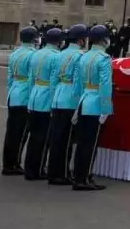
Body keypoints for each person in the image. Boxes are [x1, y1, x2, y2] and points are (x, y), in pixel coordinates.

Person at [71, 25, 114, 191]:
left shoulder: (83, 57)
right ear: (104, 40)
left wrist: (77, 105)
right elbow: (105, 86)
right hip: (95, 103)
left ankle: (78, 176)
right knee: (90, 144)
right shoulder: (103, 59)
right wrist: (106, 109)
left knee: (82, 142)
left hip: (84, 100)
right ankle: (84, 178)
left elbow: (77, 84)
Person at [45, 24, 87, 185]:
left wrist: (52, 98)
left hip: (58, 97)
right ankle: (61, 174)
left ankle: (53, 171)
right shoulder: (79, 55)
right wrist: (79, 103)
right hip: (70, 99)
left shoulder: (60, 54)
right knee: (67, 139)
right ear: (81, 40)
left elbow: (53, 80)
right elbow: (78, 82)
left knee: (56, 138)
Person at [23, 27, 63, 180]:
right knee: (43, 137)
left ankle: (29, 168)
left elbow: (31, 78)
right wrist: (54, 102)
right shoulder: (56, 57)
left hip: (34, 95)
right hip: (46, 96)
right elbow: (54, 82)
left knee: (34, 136)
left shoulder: (36, 54)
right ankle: (38, 170)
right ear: (59, 42)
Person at [2, 26, 39, 175]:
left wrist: (11, 90)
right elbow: (32, 79)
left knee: (11, 131)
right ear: (33, 39)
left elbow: (10, 77)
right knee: (22, 132)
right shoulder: (33, 55)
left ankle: (7, 162)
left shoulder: (15, 53)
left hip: (14, 93)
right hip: (24, 95)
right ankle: (14, 164)